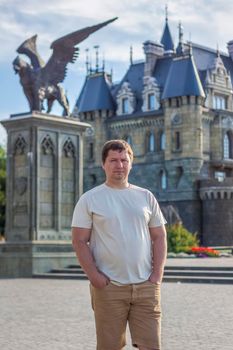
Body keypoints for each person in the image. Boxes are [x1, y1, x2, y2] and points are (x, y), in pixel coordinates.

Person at [71, 139, 167, 350]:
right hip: (109, 288)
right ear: (103, 164)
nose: (119, 165)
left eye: (124, 160)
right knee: (109, 347)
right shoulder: (90, 199)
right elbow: (79, 240)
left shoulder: (145, 197)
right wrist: (95, 277)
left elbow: (159, 236)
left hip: (146, 287)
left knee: (152, 346)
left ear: (131, 163)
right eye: (113, 160)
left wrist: (157, 276)